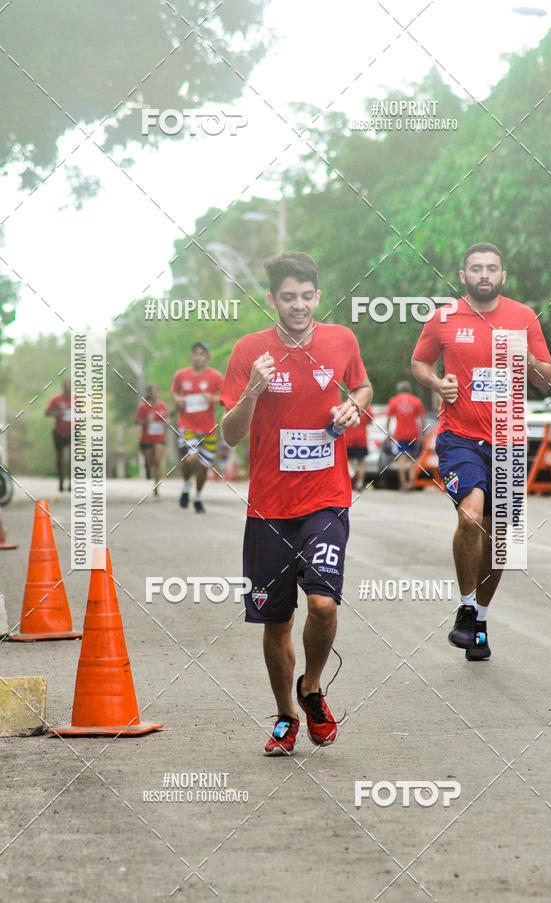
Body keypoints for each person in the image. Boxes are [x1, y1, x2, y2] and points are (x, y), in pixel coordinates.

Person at [220, 252, 372, 755]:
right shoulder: (250, 350)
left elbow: (363, 385)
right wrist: (253, 390)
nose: (299, 306)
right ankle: (287, 714)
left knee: (323, 604)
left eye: (307, 297)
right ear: (272, 300)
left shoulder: (341, 340)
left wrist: (354, 405)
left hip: (326, 498)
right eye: (288, 298)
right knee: (276, 620)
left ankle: (312, 686)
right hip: (269, 508)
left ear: (318, 296)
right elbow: (229, 434)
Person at [411, 242, 551, 661]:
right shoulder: (443, 318)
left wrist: (527, 357)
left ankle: (481, 623)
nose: (484, 274)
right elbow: (419, 363)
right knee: (471, 516)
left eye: (492, 268)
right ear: (463, 275)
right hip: (460, 437)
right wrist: (437, 383)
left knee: (501, 538)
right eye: (476, 268)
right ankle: (466, 607)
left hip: (509, 440)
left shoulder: (523, 317)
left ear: (503, 276)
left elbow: (546, 378)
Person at [171, 342, 223, 512]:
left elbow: (225, 397)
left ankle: (198, 497)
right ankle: (186, 485)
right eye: (195, 353)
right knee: (190, 457)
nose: (198, 357)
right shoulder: (181, 375)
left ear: (207, 357)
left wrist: (213, 399)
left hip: (209, 428)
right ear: (191, 356)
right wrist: (178, 400)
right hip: (187, 425)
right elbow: (175, 393)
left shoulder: (215, 376)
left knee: (203, 466)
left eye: (202, 354)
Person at [385, 381, 426, 491]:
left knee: (401, 458)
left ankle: (403, 483)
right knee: (412, 459)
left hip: (400, 434)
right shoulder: (416, 401)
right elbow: (422, 419)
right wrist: (423, 434)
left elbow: (388, 419)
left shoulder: (394, 401)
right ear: (409, 390)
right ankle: (411, 482)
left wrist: (388, 433)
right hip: (413, 434)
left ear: (398, 390)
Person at [134, 385, 168, 496]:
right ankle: (147, 468)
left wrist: (167, 421)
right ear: (149, 393)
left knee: (158, 461)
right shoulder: (143, 407)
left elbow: (166, 418)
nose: (154, 394)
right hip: (146, 439)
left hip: (159, 438)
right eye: (152, 392)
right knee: (149, 461)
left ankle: (156, 486)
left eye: (156, 392)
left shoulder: (162, 406)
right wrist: (146, 421)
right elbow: (137, 421)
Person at [45, 378, 72, 492]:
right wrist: (58, 413)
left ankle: (71, 482)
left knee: (72, 457)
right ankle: (61, 481)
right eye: (66, 386)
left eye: (69, 386)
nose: (68, 388)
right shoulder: (56, 399)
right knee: (60, 457)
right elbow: (47, 412)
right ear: (63, 387)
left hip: (73, 431)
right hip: (59, 431)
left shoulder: (77, 400)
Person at [344, 404, 373, 491]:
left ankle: (352, 474)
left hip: (348, 439)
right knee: (361, 462)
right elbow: (370, 421)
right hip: (361, 439)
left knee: (347, 460)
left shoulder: (345, 405)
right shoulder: (366, 407)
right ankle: (360, 483)